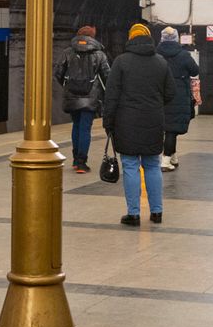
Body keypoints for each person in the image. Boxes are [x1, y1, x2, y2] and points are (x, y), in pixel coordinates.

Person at [103, 22, 174, 225]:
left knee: (131, 165)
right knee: (152, 165)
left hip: (127, 121)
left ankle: (133, 213)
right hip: (153, 118)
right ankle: (157, 212)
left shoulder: (121, 62)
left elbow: (112, 95)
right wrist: (155, 105)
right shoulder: (160, 62)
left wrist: (108, 122)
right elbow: (170, 93)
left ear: (130, 38)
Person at [57, 25, 111, 174]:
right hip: (90, 97)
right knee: (85, 128)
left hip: (72, 96)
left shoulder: (67, 52)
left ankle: (75, 160)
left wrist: (67, 85)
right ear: (92, 37)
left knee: (76, 125)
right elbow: (107, 75)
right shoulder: (99, 55)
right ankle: (82, 163)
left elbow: (58, 73)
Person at [157, 26, 199, 172]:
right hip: (178, 95)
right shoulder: (183, 55)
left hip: (159, 94)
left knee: (168, 128)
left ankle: (173, 157)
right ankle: (165, 160)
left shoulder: (156, 54)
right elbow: (195, 70)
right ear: (176, 39)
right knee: (172, 129)